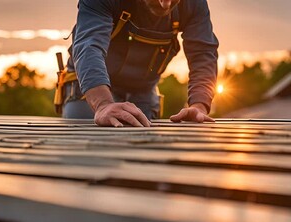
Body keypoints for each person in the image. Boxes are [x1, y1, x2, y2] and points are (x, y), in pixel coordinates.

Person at [55, 0, 218, 127]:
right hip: (90, 90)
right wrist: (103, 104)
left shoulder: (194, 4)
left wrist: (199, 105)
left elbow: (202, 54)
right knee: (88, 152)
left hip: (144, 92)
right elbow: (89, 46)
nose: (166, 4)